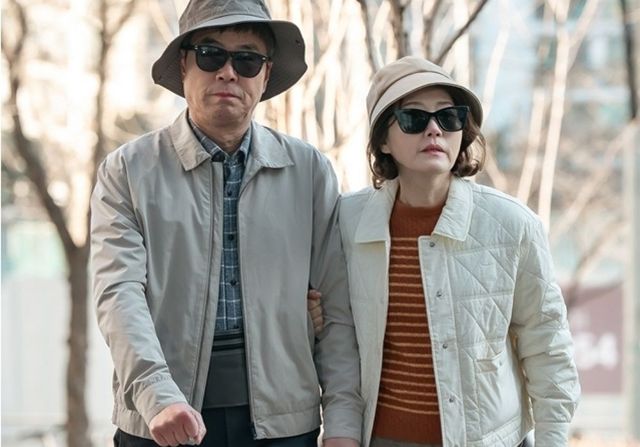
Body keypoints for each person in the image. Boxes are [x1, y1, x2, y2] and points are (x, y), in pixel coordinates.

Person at [89, 1, 362, 446]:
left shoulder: (309, 171)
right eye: (211, 54)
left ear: (266, 74)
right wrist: (157, 396)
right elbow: (118, 294)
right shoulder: (128, 170)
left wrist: (344, 425)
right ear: (184, 64)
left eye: (247, 59)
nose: (228, 73)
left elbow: (337, 308)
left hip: (285, 424)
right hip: (163, 421)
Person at [333, 56, 580, 446]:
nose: (434, 129)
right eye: (414, 118)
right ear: (383, 140)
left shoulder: (513, 224)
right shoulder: (348, 221)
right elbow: (339, 342)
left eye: (449, 118)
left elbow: (548, 348)